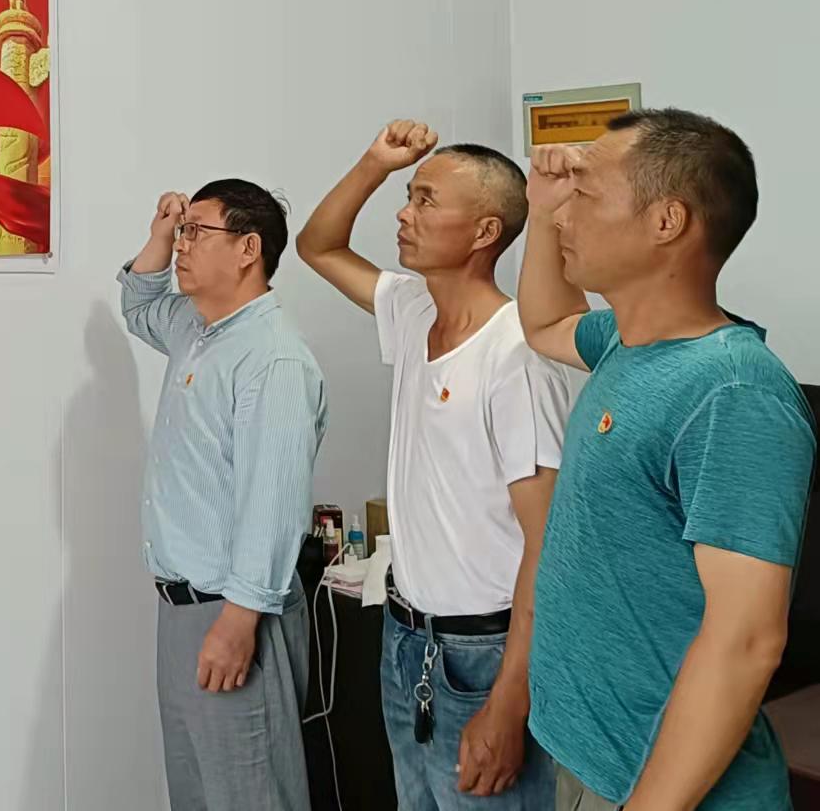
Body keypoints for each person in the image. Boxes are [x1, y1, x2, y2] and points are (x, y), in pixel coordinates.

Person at [518, 109, 814, 810]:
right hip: (592, 761)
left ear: (666, 221)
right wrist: (541, 208)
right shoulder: (625, 343)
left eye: (584, 195)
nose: (566, 215)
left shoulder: (733, 392)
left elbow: (746, 640)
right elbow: (543, 323)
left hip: (664, 789)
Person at [297, 120, 570, 810]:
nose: (404, 213)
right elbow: (317, 245)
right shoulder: (414, 309)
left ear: (484, 231)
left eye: (424, 200)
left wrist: (509, 701)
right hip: (406, 638)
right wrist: (375, 162)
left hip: (484, 656)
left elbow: (548, 544)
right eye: (408, 195)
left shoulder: (517, 357)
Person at [119, 180, 328, 811]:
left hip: (235, 613)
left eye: (196, 232)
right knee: (197, 794)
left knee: (250, 794)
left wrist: (238, 624)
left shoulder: (273, 359)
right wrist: (161, 232)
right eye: (183, 232)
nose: (182, 245)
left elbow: (274, 505)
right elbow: (138, 305)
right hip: (183, 610)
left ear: (248, 249)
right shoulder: (198, 328)